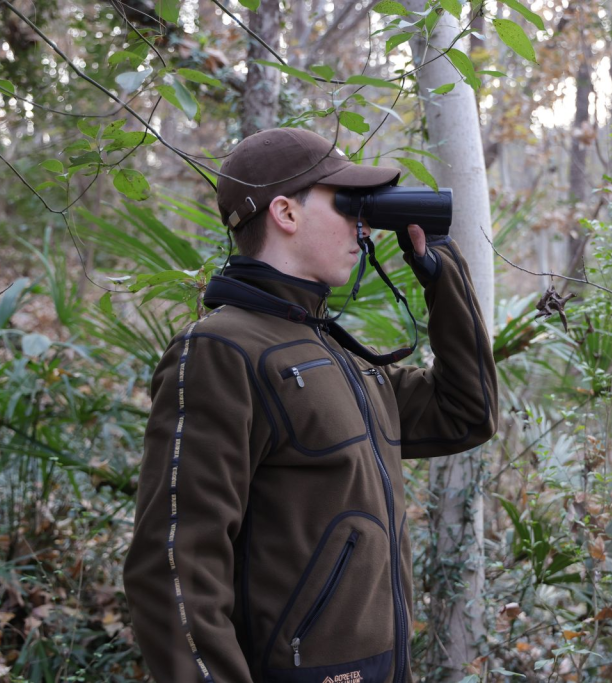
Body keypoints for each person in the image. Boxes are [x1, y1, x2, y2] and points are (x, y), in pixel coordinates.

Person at [123, 127, 498, 683]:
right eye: (346, 202)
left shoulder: (338, 355)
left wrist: (441, 272)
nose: (363, 223)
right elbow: (173, 568)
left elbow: (466, 412)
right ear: (285, 213)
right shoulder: (221, 351)